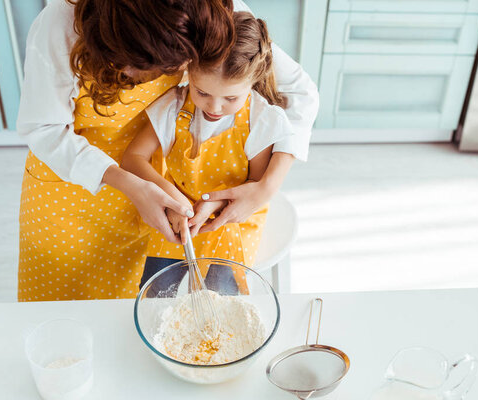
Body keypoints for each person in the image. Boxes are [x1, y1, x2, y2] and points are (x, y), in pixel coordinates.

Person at [17, 0, 318, 301]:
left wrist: (266, 187)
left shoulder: (212, 13)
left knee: (139, 313)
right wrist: (131, 183)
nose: (137, 76)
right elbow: (45, 129)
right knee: (60, 311)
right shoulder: (59, 25)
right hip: (69, 196)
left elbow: (299, 93)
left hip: (159, 191)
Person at [122, 12, 294, 293]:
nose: (214, 108)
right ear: (188, 72)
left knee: (219, 295)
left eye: (230, 98)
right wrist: (172, 198)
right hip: (177, 216)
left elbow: (254, 186)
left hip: (230, 219)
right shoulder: (173, 107)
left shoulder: (260, 120)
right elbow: (132, 159)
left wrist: (212, 207)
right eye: (201, 93)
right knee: (155, 290)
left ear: (253, 81)